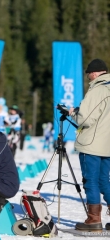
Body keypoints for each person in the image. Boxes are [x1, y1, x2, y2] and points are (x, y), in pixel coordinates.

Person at [68, 59, 110, 231]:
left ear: (93, 73)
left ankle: (94, 220)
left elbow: (85, 118)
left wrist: (73, 113)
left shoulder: (97, 90)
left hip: (92, 143)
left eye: (88, 75)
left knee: (90, 181)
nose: (88, 78)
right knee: (104, 181)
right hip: (107, 145)